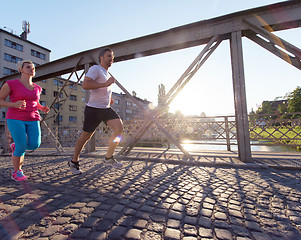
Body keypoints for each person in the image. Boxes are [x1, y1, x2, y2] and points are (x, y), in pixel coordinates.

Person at [68, 47, 124, 174]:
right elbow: (85, 85)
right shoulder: (95, 69)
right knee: (85, 136)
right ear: (101, 58)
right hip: (93, 109)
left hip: (105, 108)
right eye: (108, 56)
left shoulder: (107, 73)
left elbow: (102, 90)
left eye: (112, 56)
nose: (111, 59)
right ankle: (74, 161)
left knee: (119, 128)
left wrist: (108, 99)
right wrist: (105, 84)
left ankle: (108, 158)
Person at [0, 60, 50, 181]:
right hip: (15, 118)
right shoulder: (10, 84)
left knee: (35, 144)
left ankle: (16, 146)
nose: (32, 69)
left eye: (33, 67)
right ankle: (17, 172)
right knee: (21, 146)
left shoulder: (38, 88)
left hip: (33, 118)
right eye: (28, 67)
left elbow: (34, 102)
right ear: (20, 69)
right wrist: (14, 104)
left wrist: (41, 107)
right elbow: (1, 100)